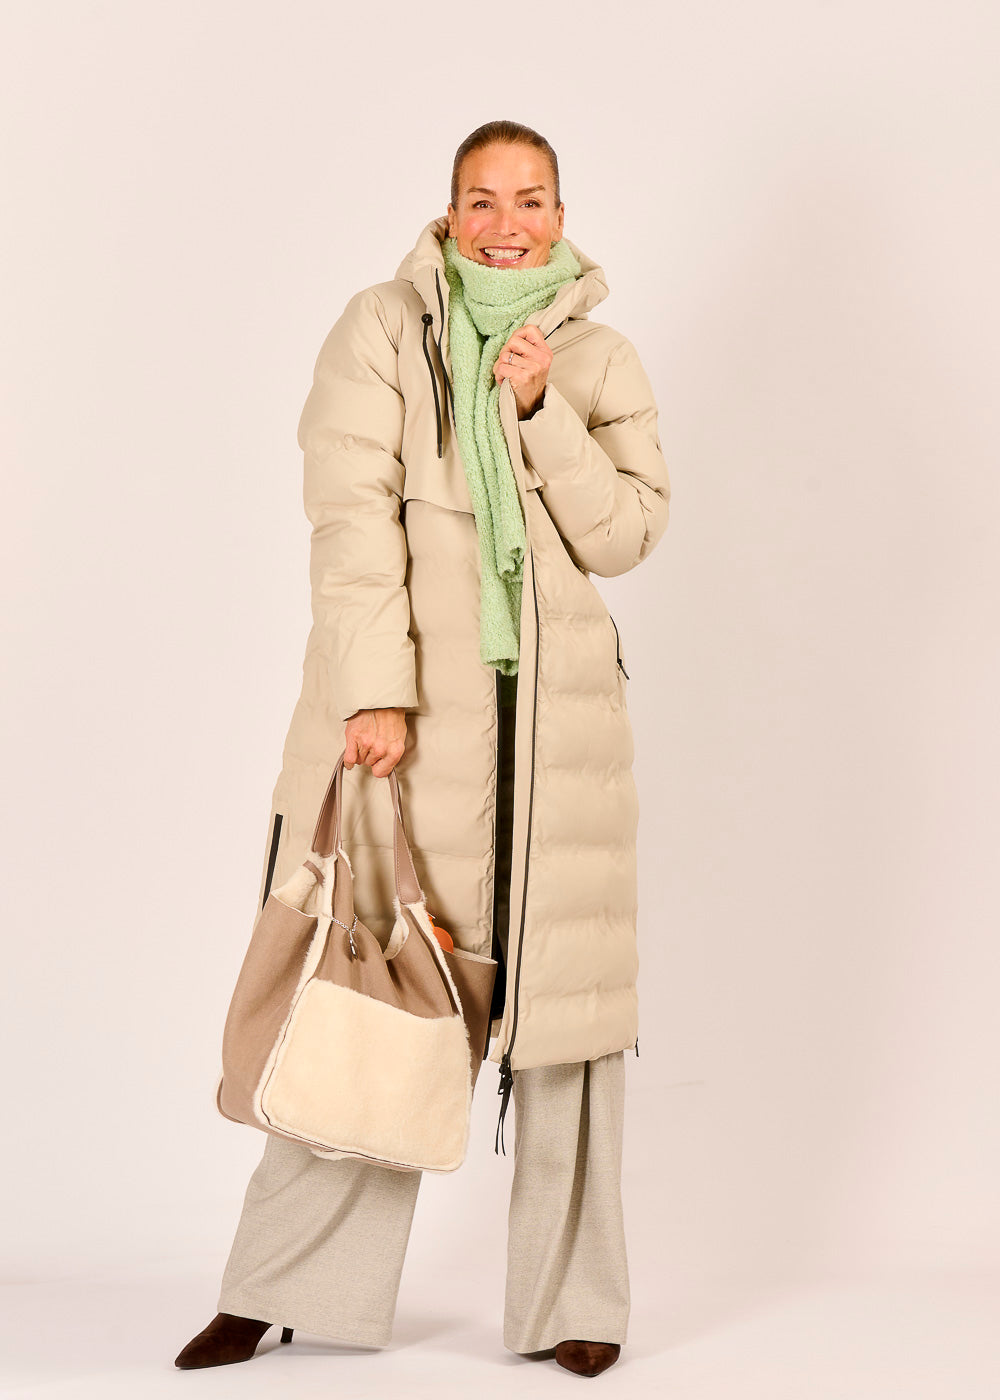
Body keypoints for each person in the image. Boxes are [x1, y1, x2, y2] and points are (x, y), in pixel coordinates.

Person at [175, 119, 670, 1379]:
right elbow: (349, 521)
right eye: (482, 200)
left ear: (561, 215)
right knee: (371, 993)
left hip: (558, 745)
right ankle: (278, 1284)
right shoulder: (383, 330)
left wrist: (542, 409)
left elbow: (624, 534)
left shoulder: (598, 356)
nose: (507, 223)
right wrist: (375, 690)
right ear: (447, 213)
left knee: (566, 1022)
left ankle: (576, 1300)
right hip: (413, 728)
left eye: (531, 198)